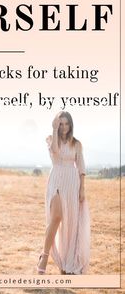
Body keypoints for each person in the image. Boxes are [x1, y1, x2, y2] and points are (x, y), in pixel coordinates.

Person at [37, 111, 90, 275]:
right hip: (56, 180)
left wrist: (82, 189)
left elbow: (81, 168)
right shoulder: (51, 139)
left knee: (71, 223)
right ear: (57, 125)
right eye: (61, 124)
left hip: (72, 184)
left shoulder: (77, 144)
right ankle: (44, 257)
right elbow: (54, 152)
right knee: (56, 217)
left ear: (71, 125)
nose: (64, 127)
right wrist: (53, 129)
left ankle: (68, 261)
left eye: (67, 124)